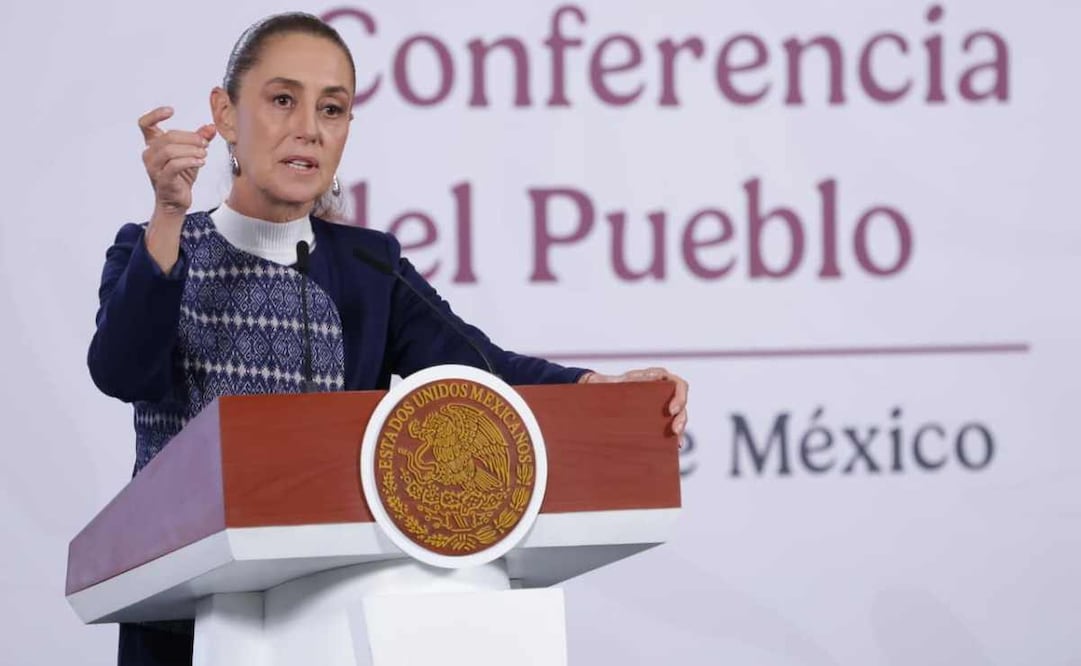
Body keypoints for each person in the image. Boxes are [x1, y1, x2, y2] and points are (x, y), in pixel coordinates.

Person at [88, 12, 689, 666]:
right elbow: (123, 372)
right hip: (188, 629)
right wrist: (168, 215)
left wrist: (594, 390)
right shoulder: (158, 247)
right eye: (282, 100)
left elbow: (479, 366)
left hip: (328, 621)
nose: (308, 129)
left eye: (333, 108)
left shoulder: (369, 266)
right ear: (226, 115)